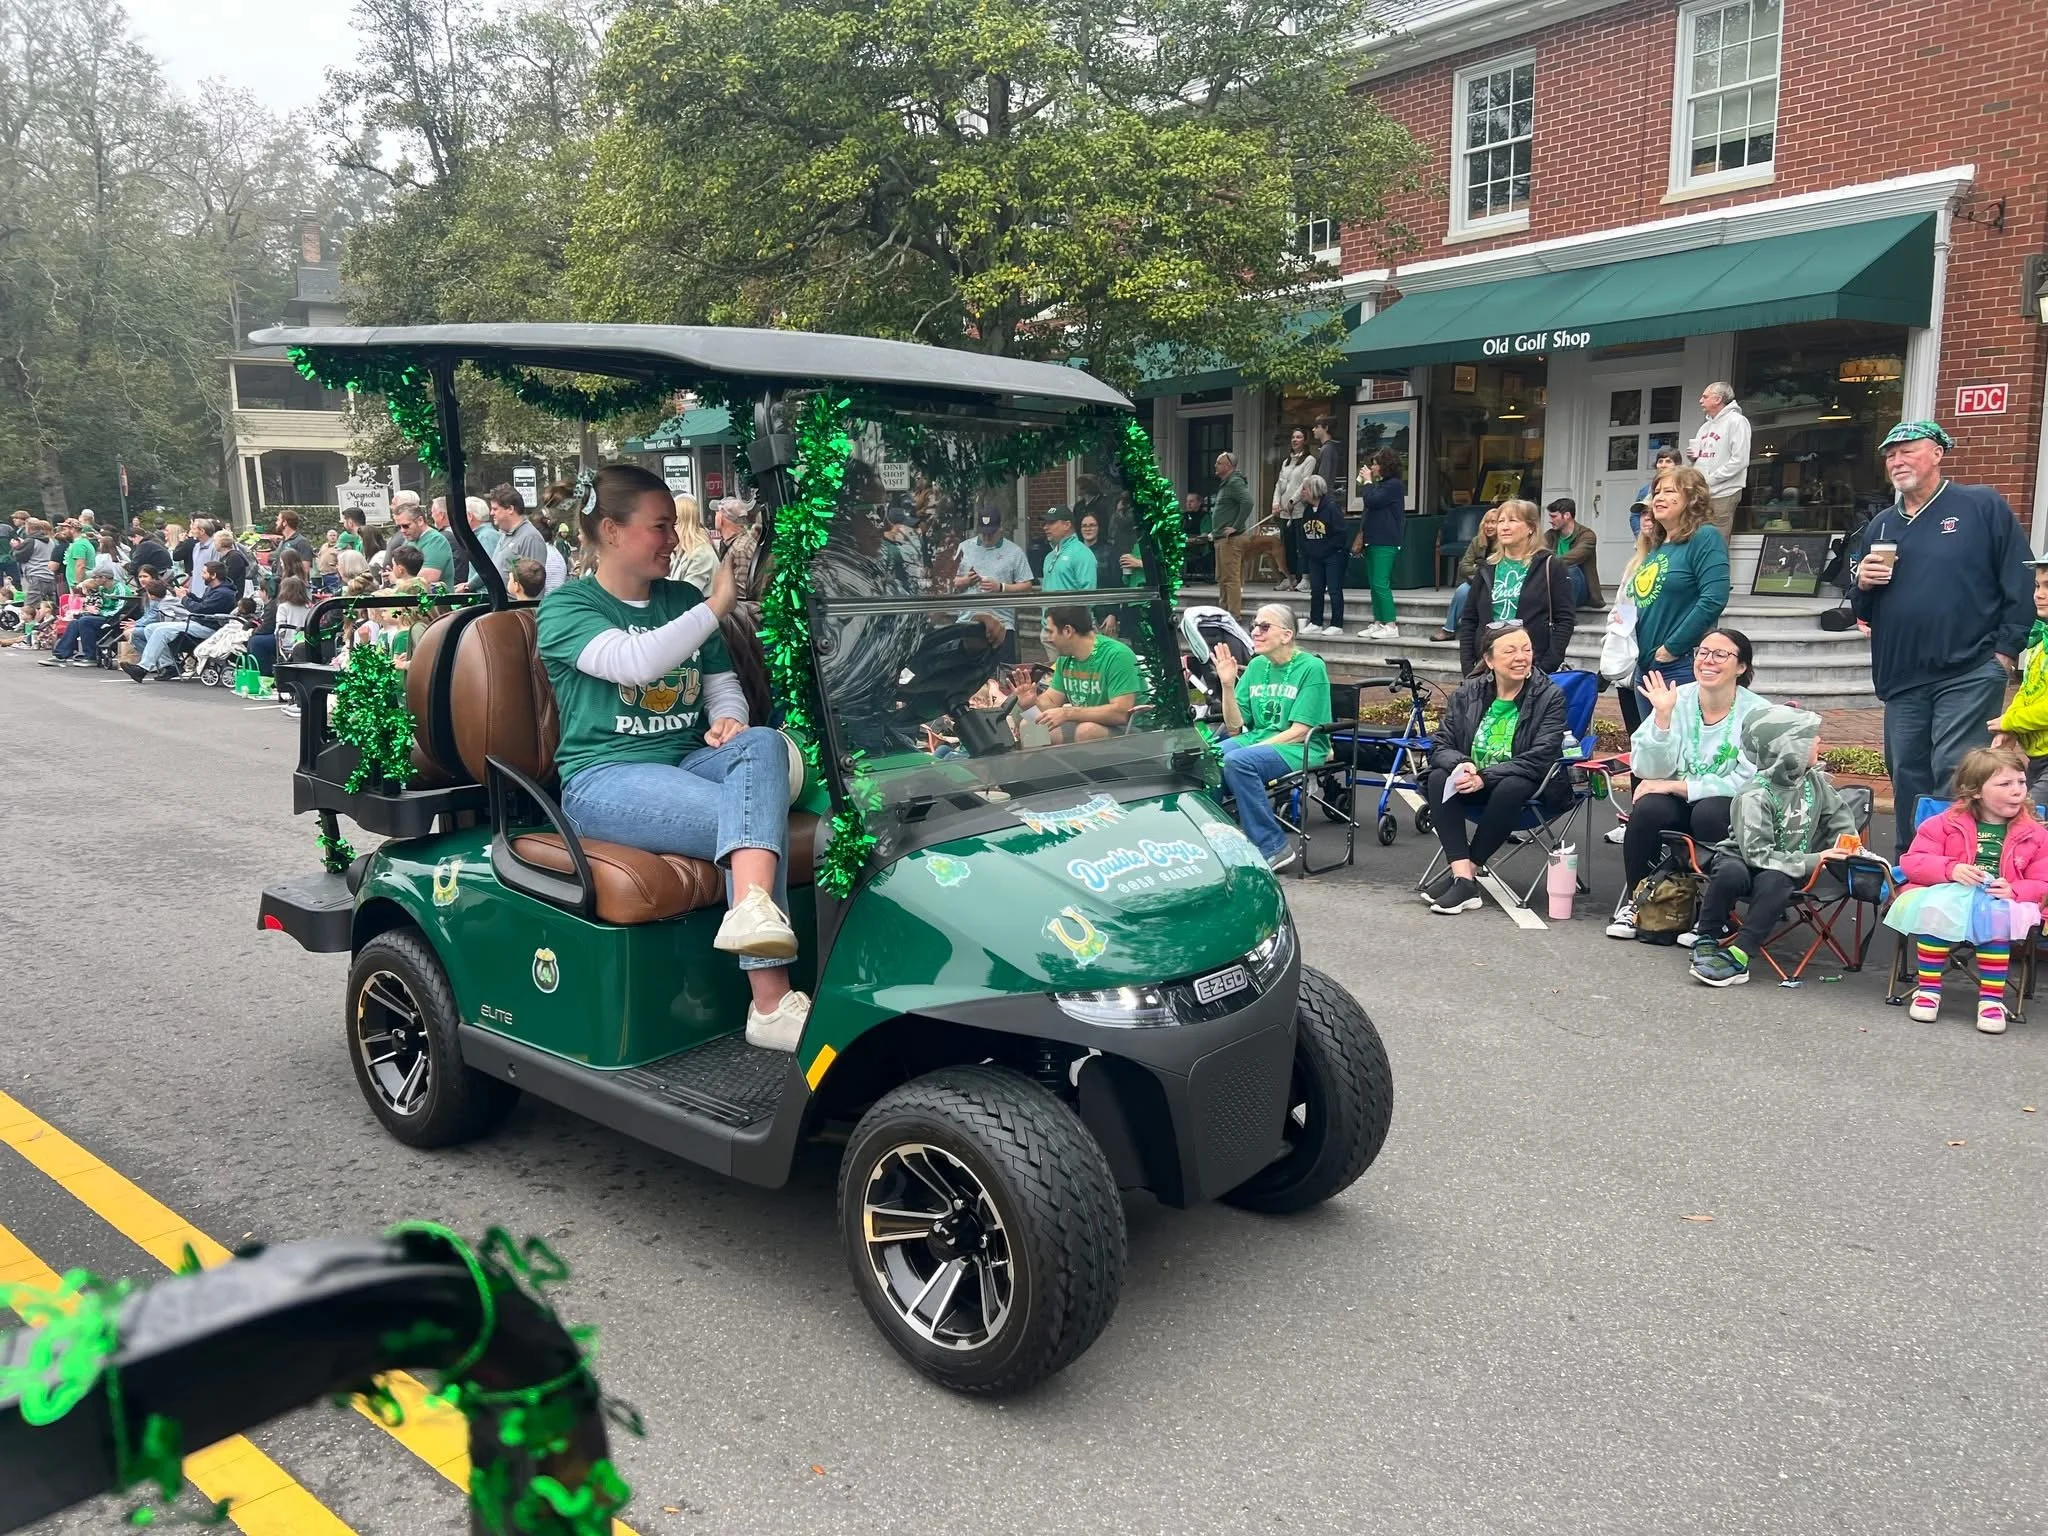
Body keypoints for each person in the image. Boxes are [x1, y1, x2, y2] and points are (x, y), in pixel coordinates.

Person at [536, 463, 809, 1051]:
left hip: (685, 760)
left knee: (761, 741)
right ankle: (770, 1002)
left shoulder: (680, 598)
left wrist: (728, 719)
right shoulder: (566, 609)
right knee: (752, 820)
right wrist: (717, 606)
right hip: (602, 777)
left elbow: (719, 684)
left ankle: (752, 912)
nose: (673, 538)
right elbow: (636, 664)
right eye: (659, 527)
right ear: (612, 531)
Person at [1850, 420, 2033, 854]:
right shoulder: (1880, 525)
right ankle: (1913, 870)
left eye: (1907, 450)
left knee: (1952, 771)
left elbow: (2020, 579)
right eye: (1890, 454)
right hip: (1902, 677)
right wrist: (1863, 585)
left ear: (1937, 453)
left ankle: (1953, 870)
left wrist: (2006, 652)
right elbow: (1861, 609)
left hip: (1969, 669)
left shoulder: (1979, 506)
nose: (1897, 460)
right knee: (1906, 774)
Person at [1605, 628, 1767, 939]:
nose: (1708, 660)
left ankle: (1716, 914)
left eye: (1721, 654)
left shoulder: (1757, 712)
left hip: (1728, 804)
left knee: (1709, 812)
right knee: (1648, 809)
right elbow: (1647, 768)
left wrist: (1677, 787)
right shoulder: (1677, 699)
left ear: (1742, 667)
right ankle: (1639, 902)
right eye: (1702, 652)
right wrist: (1663, 719)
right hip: (1680, 800)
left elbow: (1749, 781)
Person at [1686, 708, 1861, 988]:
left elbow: (1837, 816)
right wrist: (1818, 858)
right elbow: (1757, 853)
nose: (1819, 742)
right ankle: (1707, 936)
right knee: (1729, 871)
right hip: (1744, 857)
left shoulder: (1813, 781)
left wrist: (1847, 842)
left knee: (1777, 880)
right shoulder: (1755, 795)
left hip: (1785, 867)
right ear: (1787, 749)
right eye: (1810, 738)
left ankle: (1741, 953)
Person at [1884, 746, 2048, 1034]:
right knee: (1934, 911)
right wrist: (1951, 869)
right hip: (1949, 891)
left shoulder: (2035, 833)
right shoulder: (1944, 824)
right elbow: (1913, 862)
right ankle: (1929, 989)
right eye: (2005, 784)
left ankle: (1991, 1000)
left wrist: (2015, 889)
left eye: (2021, 782)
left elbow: (2043, 880)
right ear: (1975, 791)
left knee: (1997, 918)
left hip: (2003, 898)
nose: (2017, 791)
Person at [1421, 622, 1568, 915]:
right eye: (1510, 651)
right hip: (1471, 781)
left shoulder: (1549, 696)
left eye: (1526, 650)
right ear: (1489, 660)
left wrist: (1483, 778)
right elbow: (1441, 742)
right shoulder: (1469, 692)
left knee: (1512, 785)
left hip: (1524, 786)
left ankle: (1464, 878)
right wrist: (1461, 764)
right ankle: (1463, 876)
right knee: (1439, 777)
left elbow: (1540, 756)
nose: (1521, 657)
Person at [1210, 603, 1332, 873]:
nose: (1255, 632)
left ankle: (1273, 847)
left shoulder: (1311, 667)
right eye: (1254, 626)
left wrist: (1252, 749)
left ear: (1286, 635)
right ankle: (1217, 840)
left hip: (1302, 745)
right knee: (1208, 756)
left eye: (1264, 627)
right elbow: (1234, 727)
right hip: (1258, 739)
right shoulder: (1256, 666)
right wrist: (1227, 685)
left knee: (1237, 761)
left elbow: (1301, 730)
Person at [1615, 466, 1730, 732]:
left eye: (1669, 491)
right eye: (1656, 492)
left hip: (1679, 666)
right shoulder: (1657, 546)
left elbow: (1714, 598)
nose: (1658, 498)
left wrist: (1671, 649)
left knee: (1678, 754)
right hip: (1645, 668)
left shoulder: (1705, 537)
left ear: (1692, 499)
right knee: (1653, 754)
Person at [1458, 499, 1575, 675]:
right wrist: (1468, 667)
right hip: (1488, 667)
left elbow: (1565, 619)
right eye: (1500, 521)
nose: (1504, 527)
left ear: (1531, 528)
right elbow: (1469, 619)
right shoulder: (1486, 568)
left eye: (1512, 520)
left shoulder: (1550, 566)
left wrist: (1546, 666)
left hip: (1531, 666)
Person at [1015, 605, 1148, 742]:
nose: (1048, 638)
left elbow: (1121, 713)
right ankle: (1042, 763)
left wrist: (1068, 713)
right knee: (1030, 725)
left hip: (1133, 731)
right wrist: (1031, 702)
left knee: (1087, 731)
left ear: (1067, 631)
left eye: (1050, 632)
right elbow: (1052, 701)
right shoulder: (1065, 658)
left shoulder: (1117, 655)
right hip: (1085, 723)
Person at [123, 560, 236, 680]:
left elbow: (200, 609)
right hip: (198, 622)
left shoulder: (224, 593)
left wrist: (184, 598)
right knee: (150, 628)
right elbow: (204, 604)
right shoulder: (214, 589)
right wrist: (190, 595)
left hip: (209, 627)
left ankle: (143, 668)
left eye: (204, 573)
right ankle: (169, 665)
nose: (202, 576)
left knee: (162, 631)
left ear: (213, 575)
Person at [1992, 560, 2048, 800]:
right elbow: (2028, 690)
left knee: (2028, 816)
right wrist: (2010, 727)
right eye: (2037, 586)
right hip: (2037, 758)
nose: (2040, 595)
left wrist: (2012, 720)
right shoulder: (2041, 640)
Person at [952, 507, 1033, 660]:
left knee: (1002, 676)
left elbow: (1027, 586)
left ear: (1000, 529)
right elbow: (949, 583)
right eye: (983, 533)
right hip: (967, 623)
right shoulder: (964, 547)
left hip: (1002, 626)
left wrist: (1001, 587)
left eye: (991, 533)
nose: (987, 537)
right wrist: (965, 581)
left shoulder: (1014, 552)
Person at [1349, 447, 1405, 640]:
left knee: (1381, 583)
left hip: (1386, 541)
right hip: (1372, 539)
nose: (1372, 467)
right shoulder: (1382, 485)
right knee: (1374, 583)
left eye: (1375, 464)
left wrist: (1367, 482)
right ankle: (1378, 622)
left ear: (1385, 466)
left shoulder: (1394, 485)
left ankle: (1391, 624)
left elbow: (1372, 501)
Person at [1685, 382, 1750, 538]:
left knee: (1717, 541)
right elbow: (1706, 456)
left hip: (1724, 493)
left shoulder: (1737, 421)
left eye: (1705, 397)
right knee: (1698, 539)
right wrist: (1694, 458)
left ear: (1718, 399)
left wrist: (1711, 479)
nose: (1700, 400)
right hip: (1702, 492)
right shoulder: (1705, 426)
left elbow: (1740, 460)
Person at [1430, 505, 1500, 642]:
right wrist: (1482, 569)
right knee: (1462, 591)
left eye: (1494, 522)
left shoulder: (1505, 543)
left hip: (1498, 583)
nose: (1490, 526)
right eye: (1487, 522)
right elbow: (1463, 568)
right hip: (1477, 581)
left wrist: (1480, 567)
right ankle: (1449, 630)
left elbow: (1498, 568)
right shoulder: (1476, 541)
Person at [1293, 474, 1349, 637]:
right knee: (1316, 590)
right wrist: (1308, 552)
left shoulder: (1331, 508)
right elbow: (1303, 535)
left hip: (1333, 556)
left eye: (1304, 488)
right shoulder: (1308, 510)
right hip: (1315, 557)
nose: (1302, 492)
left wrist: (1326, 549)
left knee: (1334, 589)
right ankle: (1316, 621)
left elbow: (1341, 534)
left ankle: (1337, 624)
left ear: (1313, 490)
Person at [1206, 451, 1253, 620]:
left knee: (1230, 578)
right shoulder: (1226, 483)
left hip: (1230, 540)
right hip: (1220, 539)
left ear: (1228, 466)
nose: (1215, 466)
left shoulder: (1234, 482)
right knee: (1222, 577)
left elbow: (1248, 502)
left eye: (1219, 463)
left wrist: (1235, 526)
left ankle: (1233, 615)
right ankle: (1224, 610)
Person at [1271, 429, 1315, 591]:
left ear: (1305, 440)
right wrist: (1276, 503)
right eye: (1293, 437)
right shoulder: (1286, 462)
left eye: (1299, 437)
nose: (1295, 440)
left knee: (1301, 545)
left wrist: (1292, 500)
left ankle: (1304, 577)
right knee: (1285, 546)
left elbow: (1305, 482)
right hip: (1283, 512)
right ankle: (1288, 578)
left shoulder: (1309, 460)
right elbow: (1279, 485)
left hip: (1299, 510)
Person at [1545, 497, 1602, 608]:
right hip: (1553, 586)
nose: (1550, 520)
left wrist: (1548, 563)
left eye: (1554, 516)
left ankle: (1567, 615)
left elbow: (1573, 558)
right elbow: (1539, 553)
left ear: (1567, 515)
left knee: (1571, 569)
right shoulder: (1550, 535)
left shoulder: (1587, 535)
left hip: (1580, 590)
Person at [490, 484, 550, 585]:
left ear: (510, 509)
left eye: (495, 509)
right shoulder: (505, 535)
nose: (491, 513)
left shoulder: (531, 538)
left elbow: (534, 585)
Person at [1038, 503, 1096, 592]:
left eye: (1051, 522)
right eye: (1045, 523)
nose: (1045, 527)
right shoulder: (1049, 556)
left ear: (1067, 525)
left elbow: (1089, 597)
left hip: (1072, 606)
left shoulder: (1081, 553)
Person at [393, 499, 451, 586]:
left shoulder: (436, 541)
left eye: (406, 526)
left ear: (420, 521)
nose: (402, 531)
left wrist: (395, 580)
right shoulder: (408, 540)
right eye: (399, 527)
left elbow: (426, 580)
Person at [667, 493, 717, 590]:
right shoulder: (683, 551)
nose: (669, 530)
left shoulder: (701, 555)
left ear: (683, 523)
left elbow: (686, 596)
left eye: (673, 524)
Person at [1631, 447, 1683, 539]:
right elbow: (1635, 516)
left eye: (1668, 461)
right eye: (1660, 461)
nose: (1663, 465)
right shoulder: (1646, 490)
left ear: (1677, 464)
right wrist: (1640, 535)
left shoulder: (1683, 487)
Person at [714, 499, 760, 602]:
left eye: (716, 512)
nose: (715, 516)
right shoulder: (736, 543)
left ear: (721, 517)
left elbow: (740, 596)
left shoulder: (739, 550)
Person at [1078, 511, 1119, 590]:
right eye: (1084, 526)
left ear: (1099, 527)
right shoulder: (1075, 551)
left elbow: (1116, 582)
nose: (1088, 529)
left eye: (1092, 525)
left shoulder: (1110, 552)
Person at [1312, 417, 1346, 507]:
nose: (1313, 429)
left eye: (1317, 427)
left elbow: (1324, 477)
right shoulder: (1330, 447)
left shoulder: (1327, 449)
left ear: (1326, 428)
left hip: (1324, 499)